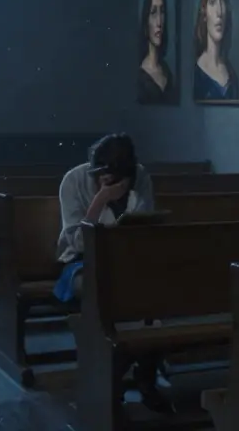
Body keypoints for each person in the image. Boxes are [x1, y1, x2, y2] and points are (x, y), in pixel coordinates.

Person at [53, 133, 172, 413]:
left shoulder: (140, 176)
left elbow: (144, 228)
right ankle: (108, 379)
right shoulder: (73, 180)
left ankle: (144, 378)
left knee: (158, 296)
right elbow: (78, 242)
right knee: (107, 291)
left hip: (127, 260)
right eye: (103, 177)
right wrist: (102, 198)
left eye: (116, 179)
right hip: (80, 262)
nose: (109, 182)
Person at [193, 0, 239, 100]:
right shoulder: (196, 75)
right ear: (204, 11)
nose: (219, 11)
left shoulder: (231, 74)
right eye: (212, 1)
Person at [137, 0, 177, 104]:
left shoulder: (167, 71)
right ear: (146, 18)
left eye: (162, 12)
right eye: (153, 13)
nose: (159, 22)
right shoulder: (139, 76)